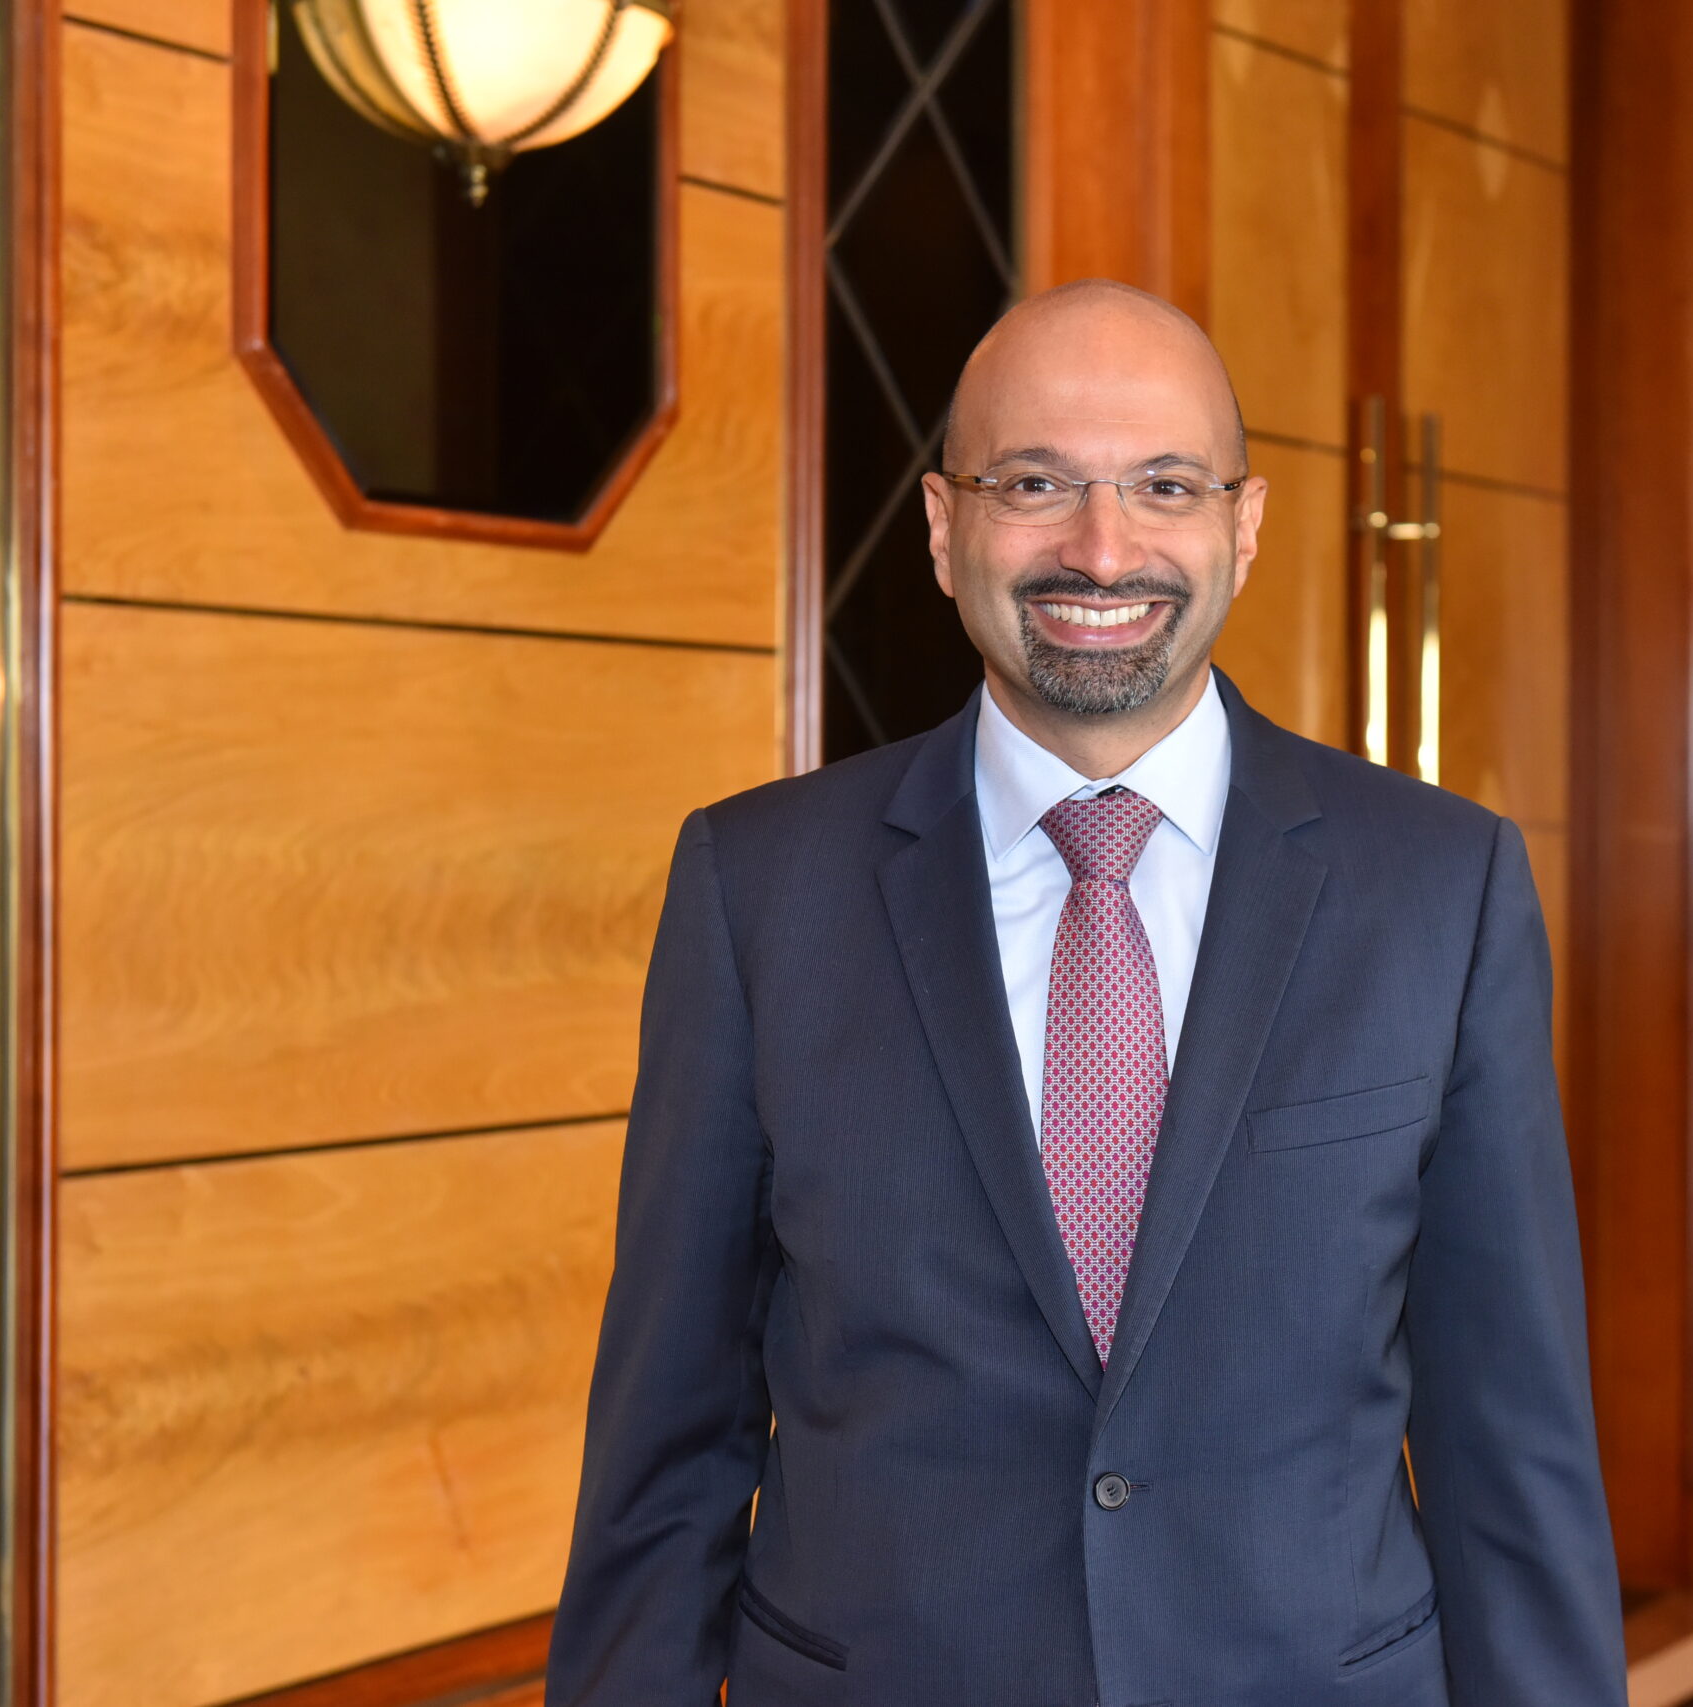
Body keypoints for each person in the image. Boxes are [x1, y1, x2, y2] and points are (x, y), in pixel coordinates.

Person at [544, 279, 1626, 1706]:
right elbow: (667, 1439)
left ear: (1244, 527)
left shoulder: (1441, 888)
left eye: (1165, 485)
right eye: (1035, 483)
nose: (1102, 547)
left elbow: (1512, 1445)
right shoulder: (758, 889)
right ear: (945, 529)